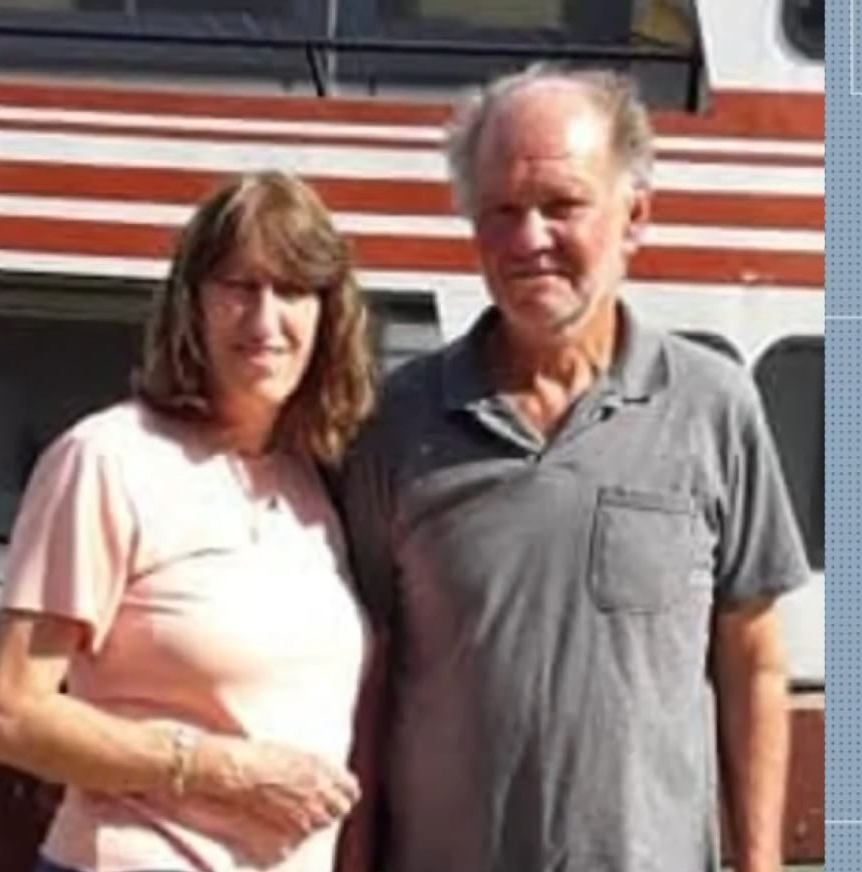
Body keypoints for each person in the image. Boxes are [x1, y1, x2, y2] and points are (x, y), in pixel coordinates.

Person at [338, 68, 812, 872]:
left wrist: (758, 863)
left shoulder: (713, 406)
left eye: (561, 205)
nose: (529, 240)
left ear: (634, 217)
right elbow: (367, 680)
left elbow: (754, 661)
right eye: (501, 211)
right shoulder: (397, 423)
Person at [0, 170, 377, 872]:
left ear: (328, 312)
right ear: (192, 304)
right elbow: (6, 713)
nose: (264, 320)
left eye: (291, 289)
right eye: (238, 287)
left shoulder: (311, 482)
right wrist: (225, 769)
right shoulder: (107, 460)